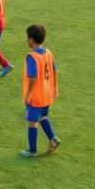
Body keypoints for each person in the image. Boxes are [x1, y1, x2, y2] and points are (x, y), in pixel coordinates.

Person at [20, 24, 61, 158]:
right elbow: (54, 70)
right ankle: (53, 139)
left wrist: (28, 95)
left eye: (27, 38)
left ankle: (32, 151)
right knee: (43, 117)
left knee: (33, 122)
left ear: (31, 39)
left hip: (36, 96)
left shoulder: (31, 56)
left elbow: (33, 76)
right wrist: (54, 87)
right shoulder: (48, 52)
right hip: (47, 93)